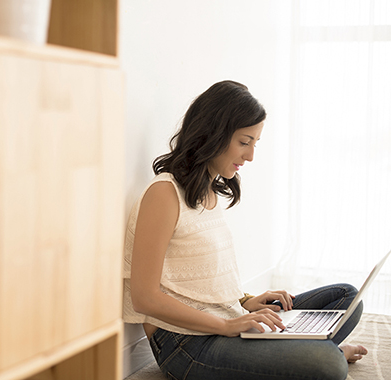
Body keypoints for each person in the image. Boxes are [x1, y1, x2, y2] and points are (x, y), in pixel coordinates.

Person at [123, 80, 368, 380]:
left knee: (346, 297)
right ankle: (307, 352)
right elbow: (144, 298)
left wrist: (243, 303)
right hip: (186, 345)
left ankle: (293, 350)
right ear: (213, 133)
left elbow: (199, 282)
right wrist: (227, 326)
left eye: (255, 143)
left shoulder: (208, 192)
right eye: (244, 142)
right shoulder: (163, 194)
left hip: (225, 318)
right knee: (330, 365)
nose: (250, 156)